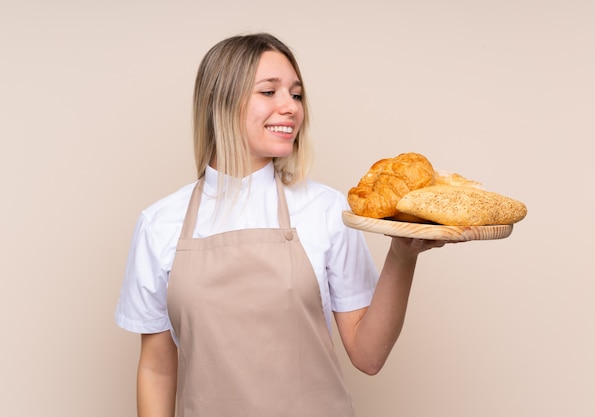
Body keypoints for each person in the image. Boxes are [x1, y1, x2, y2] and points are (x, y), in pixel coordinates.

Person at [115, 32, 447, 417]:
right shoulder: (160, 224)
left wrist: (403, 255)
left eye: (296, 94)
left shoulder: (325, 209)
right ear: (219, 101)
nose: (290, 107)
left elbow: (368, 356)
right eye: (269, 92)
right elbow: (156, 369)